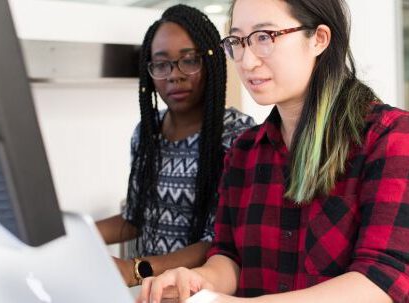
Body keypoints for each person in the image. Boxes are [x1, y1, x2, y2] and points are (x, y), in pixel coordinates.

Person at [137, 0, 409, 302]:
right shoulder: (244, 150)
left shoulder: (389, 137)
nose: (247, 61)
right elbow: (229, 257)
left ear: (319, 39)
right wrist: (197, 280)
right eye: (238, 41)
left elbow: (381, 279)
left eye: (264, 37)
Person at [95, 4, 255, 287]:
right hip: (152, 292)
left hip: (203, 292)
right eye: (161, 64)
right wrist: (73, 235)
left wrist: (136, 270)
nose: (174, 75)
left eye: (189, 60)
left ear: (211, 62)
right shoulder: (147, 133)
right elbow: (135, 218)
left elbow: (219, 240)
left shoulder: (237, 135)